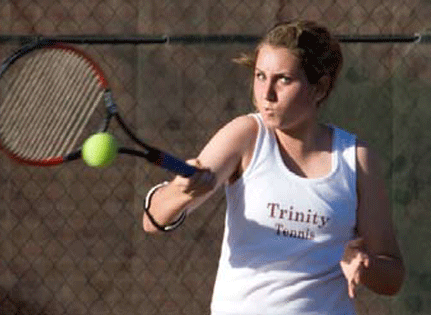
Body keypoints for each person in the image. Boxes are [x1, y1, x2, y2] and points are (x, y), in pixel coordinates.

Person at [142, 20, 405, 314]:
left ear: (319, 88)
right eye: (260, 76)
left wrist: (365, 266)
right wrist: (181, 191)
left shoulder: (356, 158)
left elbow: (392, 276)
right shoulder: (245, 135)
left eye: (283, 80)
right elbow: (153, 219)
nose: (266, 94)